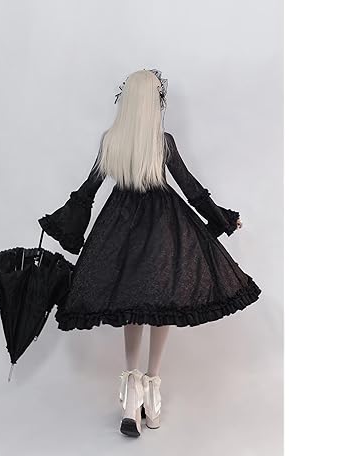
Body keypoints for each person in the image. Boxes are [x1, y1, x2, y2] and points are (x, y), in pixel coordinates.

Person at [38, 69, 262, 438]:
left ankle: (134, 394)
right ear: (153, 102)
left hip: (120, 229)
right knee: (163, 299)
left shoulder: (112, 141)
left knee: (134, 303)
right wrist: (222, 218)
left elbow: (88, 191)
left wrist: (63, 224)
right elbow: (191, 189)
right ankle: (151, 389)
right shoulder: (162, 142)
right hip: (163, 227)